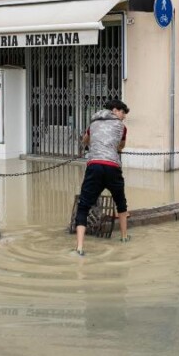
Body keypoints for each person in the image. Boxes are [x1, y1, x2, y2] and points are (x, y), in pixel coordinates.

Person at [73, 99, 130, 255]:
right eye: (122, 112)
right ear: (114, 110)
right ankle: (125, 237)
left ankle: (79, 247)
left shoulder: (93, 124)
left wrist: (94, 145)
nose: (123, 116)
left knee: (83, 206)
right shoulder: (121, 127)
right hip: (112, 166)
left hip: (94, 166)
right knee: (121, 202)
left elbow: (85, 141)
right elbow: (121, 146)